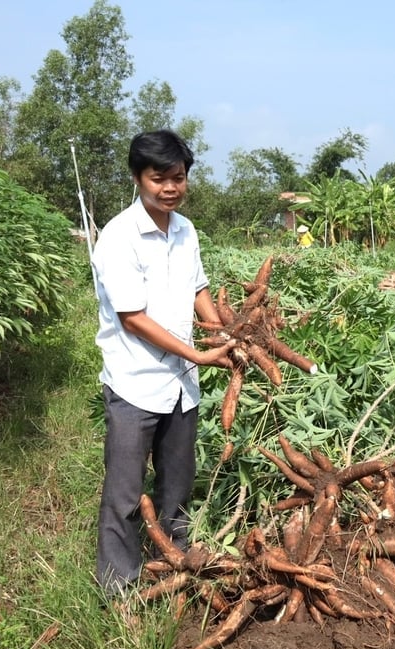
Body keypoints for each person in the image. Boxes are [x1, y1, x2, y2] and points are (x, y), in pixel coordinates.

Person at [90, 129, 237, 599]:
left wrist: (223, 334)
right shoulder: (119, 238)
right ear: (138, 178)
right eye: (159, 179)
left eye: (179, 178)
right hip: (136, 384)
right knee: (125, 494)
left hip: (181, 385)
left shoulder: (185, 230)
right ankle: (119, 589)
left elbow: (199, 290)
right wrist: (196, 352)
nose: (171, 187)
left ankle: (174, 568)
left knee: (177, 486)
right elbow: (133, 318)